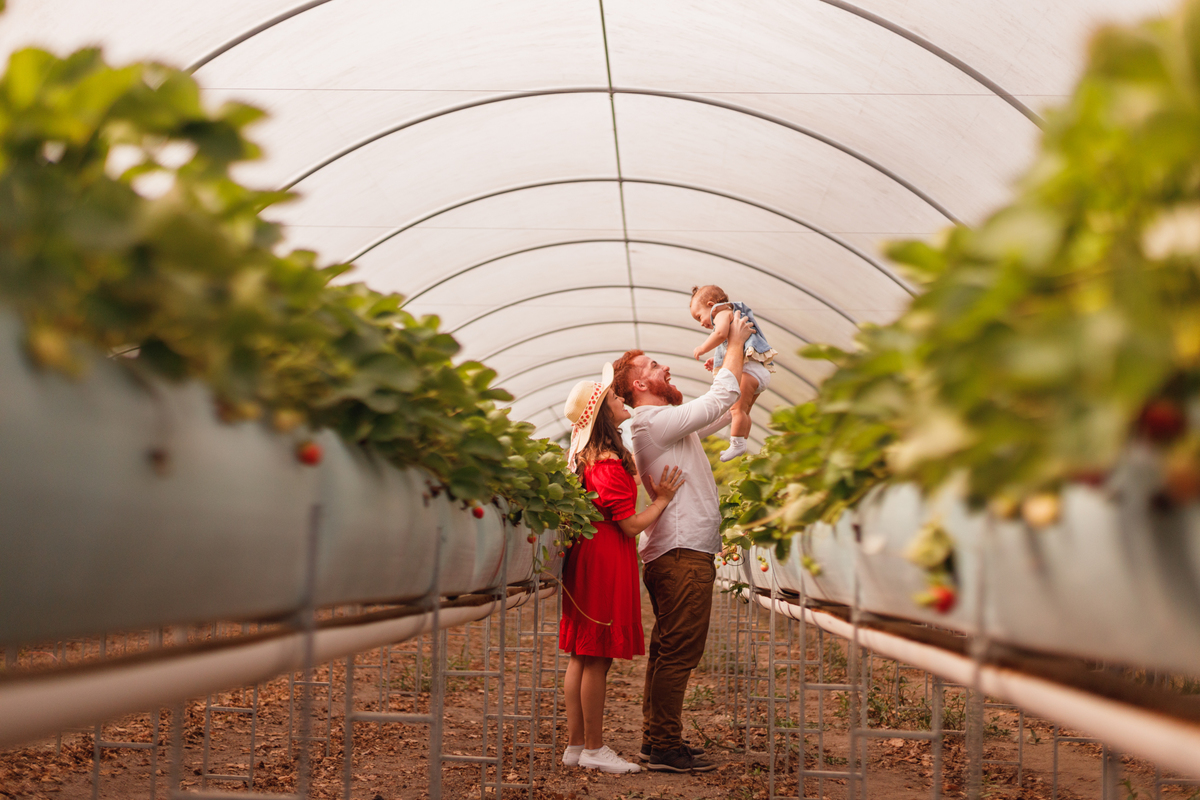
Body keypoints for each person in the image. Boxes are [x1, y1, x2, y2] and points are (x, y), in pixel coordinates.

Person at [610, 311, 756, 773]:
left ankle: (659, 741)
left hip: (676, 554)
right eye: (653, 366)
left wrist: (739, 365)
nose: (664, 369)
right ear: (637, 385)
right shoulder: (651, 422)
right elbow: (721, 397)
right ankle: (665, 747)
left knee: (668, 650)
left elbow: (728, 402)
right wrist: (731, 338)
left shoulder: (667, 424)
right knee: (679, 652)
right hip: (680, 555)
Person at [559, 363, 687, 774]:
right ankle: (595, 749)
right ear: (601, 415)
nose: (620, 397)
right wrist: (662, 499)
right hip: (604, 562)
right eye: (614, 398)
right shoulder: (608, 465)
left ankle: (576, 746)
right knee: (596, 656)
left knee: (581, 654)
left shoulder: (588, 459)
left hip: (588, 559)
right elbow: (630, 524)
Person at [689, 284, 778, 462]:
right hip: (756, 371)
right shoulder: (733, 314)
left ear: (711, 304)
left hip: (749, 371)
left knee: (736, 409)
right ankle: (742, 440)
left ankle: (737, 444)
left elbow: (720, 334)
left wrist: (703, 347)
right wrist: (717, 360)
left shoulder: (721, 312)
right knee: (744, 410)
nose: (701, 323)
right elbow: (734, 348)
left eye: (699, 316)